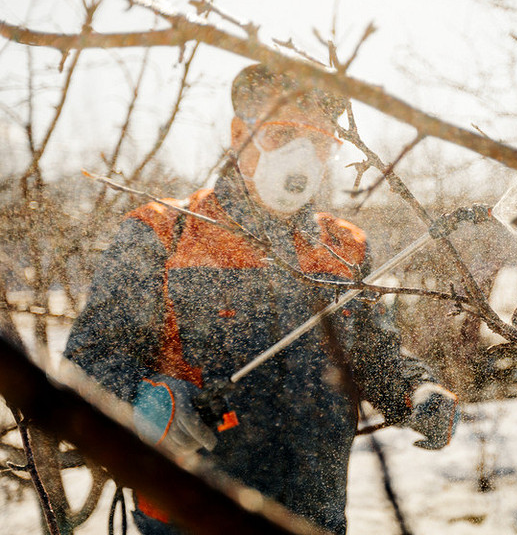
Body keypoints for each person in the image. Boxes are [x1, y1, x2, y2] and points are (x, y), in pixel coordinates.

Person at [64, 64, 459, 535]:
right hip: (186, 516)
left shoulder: (344, 246)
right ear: (238, 134)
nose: (302, 154)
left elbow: (373, 354)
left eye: (319, 142)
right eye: (283, 133)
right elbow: (89, 358)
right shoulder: (162, 233)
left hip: (314, 514)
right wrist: (143, 402)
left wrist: (418, 390)